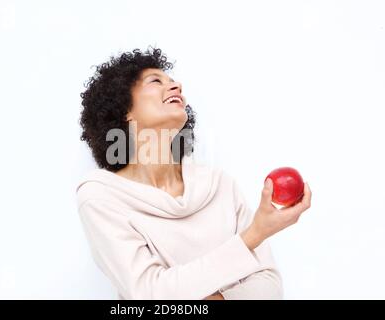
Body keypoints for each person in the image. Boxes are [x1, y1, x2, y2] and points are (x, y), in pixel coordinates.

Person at [76, 47, 312, 300]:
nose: (176, 86)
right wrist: (253, 235)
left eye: (173, 81)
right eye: (156, 81)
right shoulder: (101, 197)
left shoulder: (220, 185)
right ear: (124, 110)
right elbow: (149, 292)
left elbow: (269, 284)